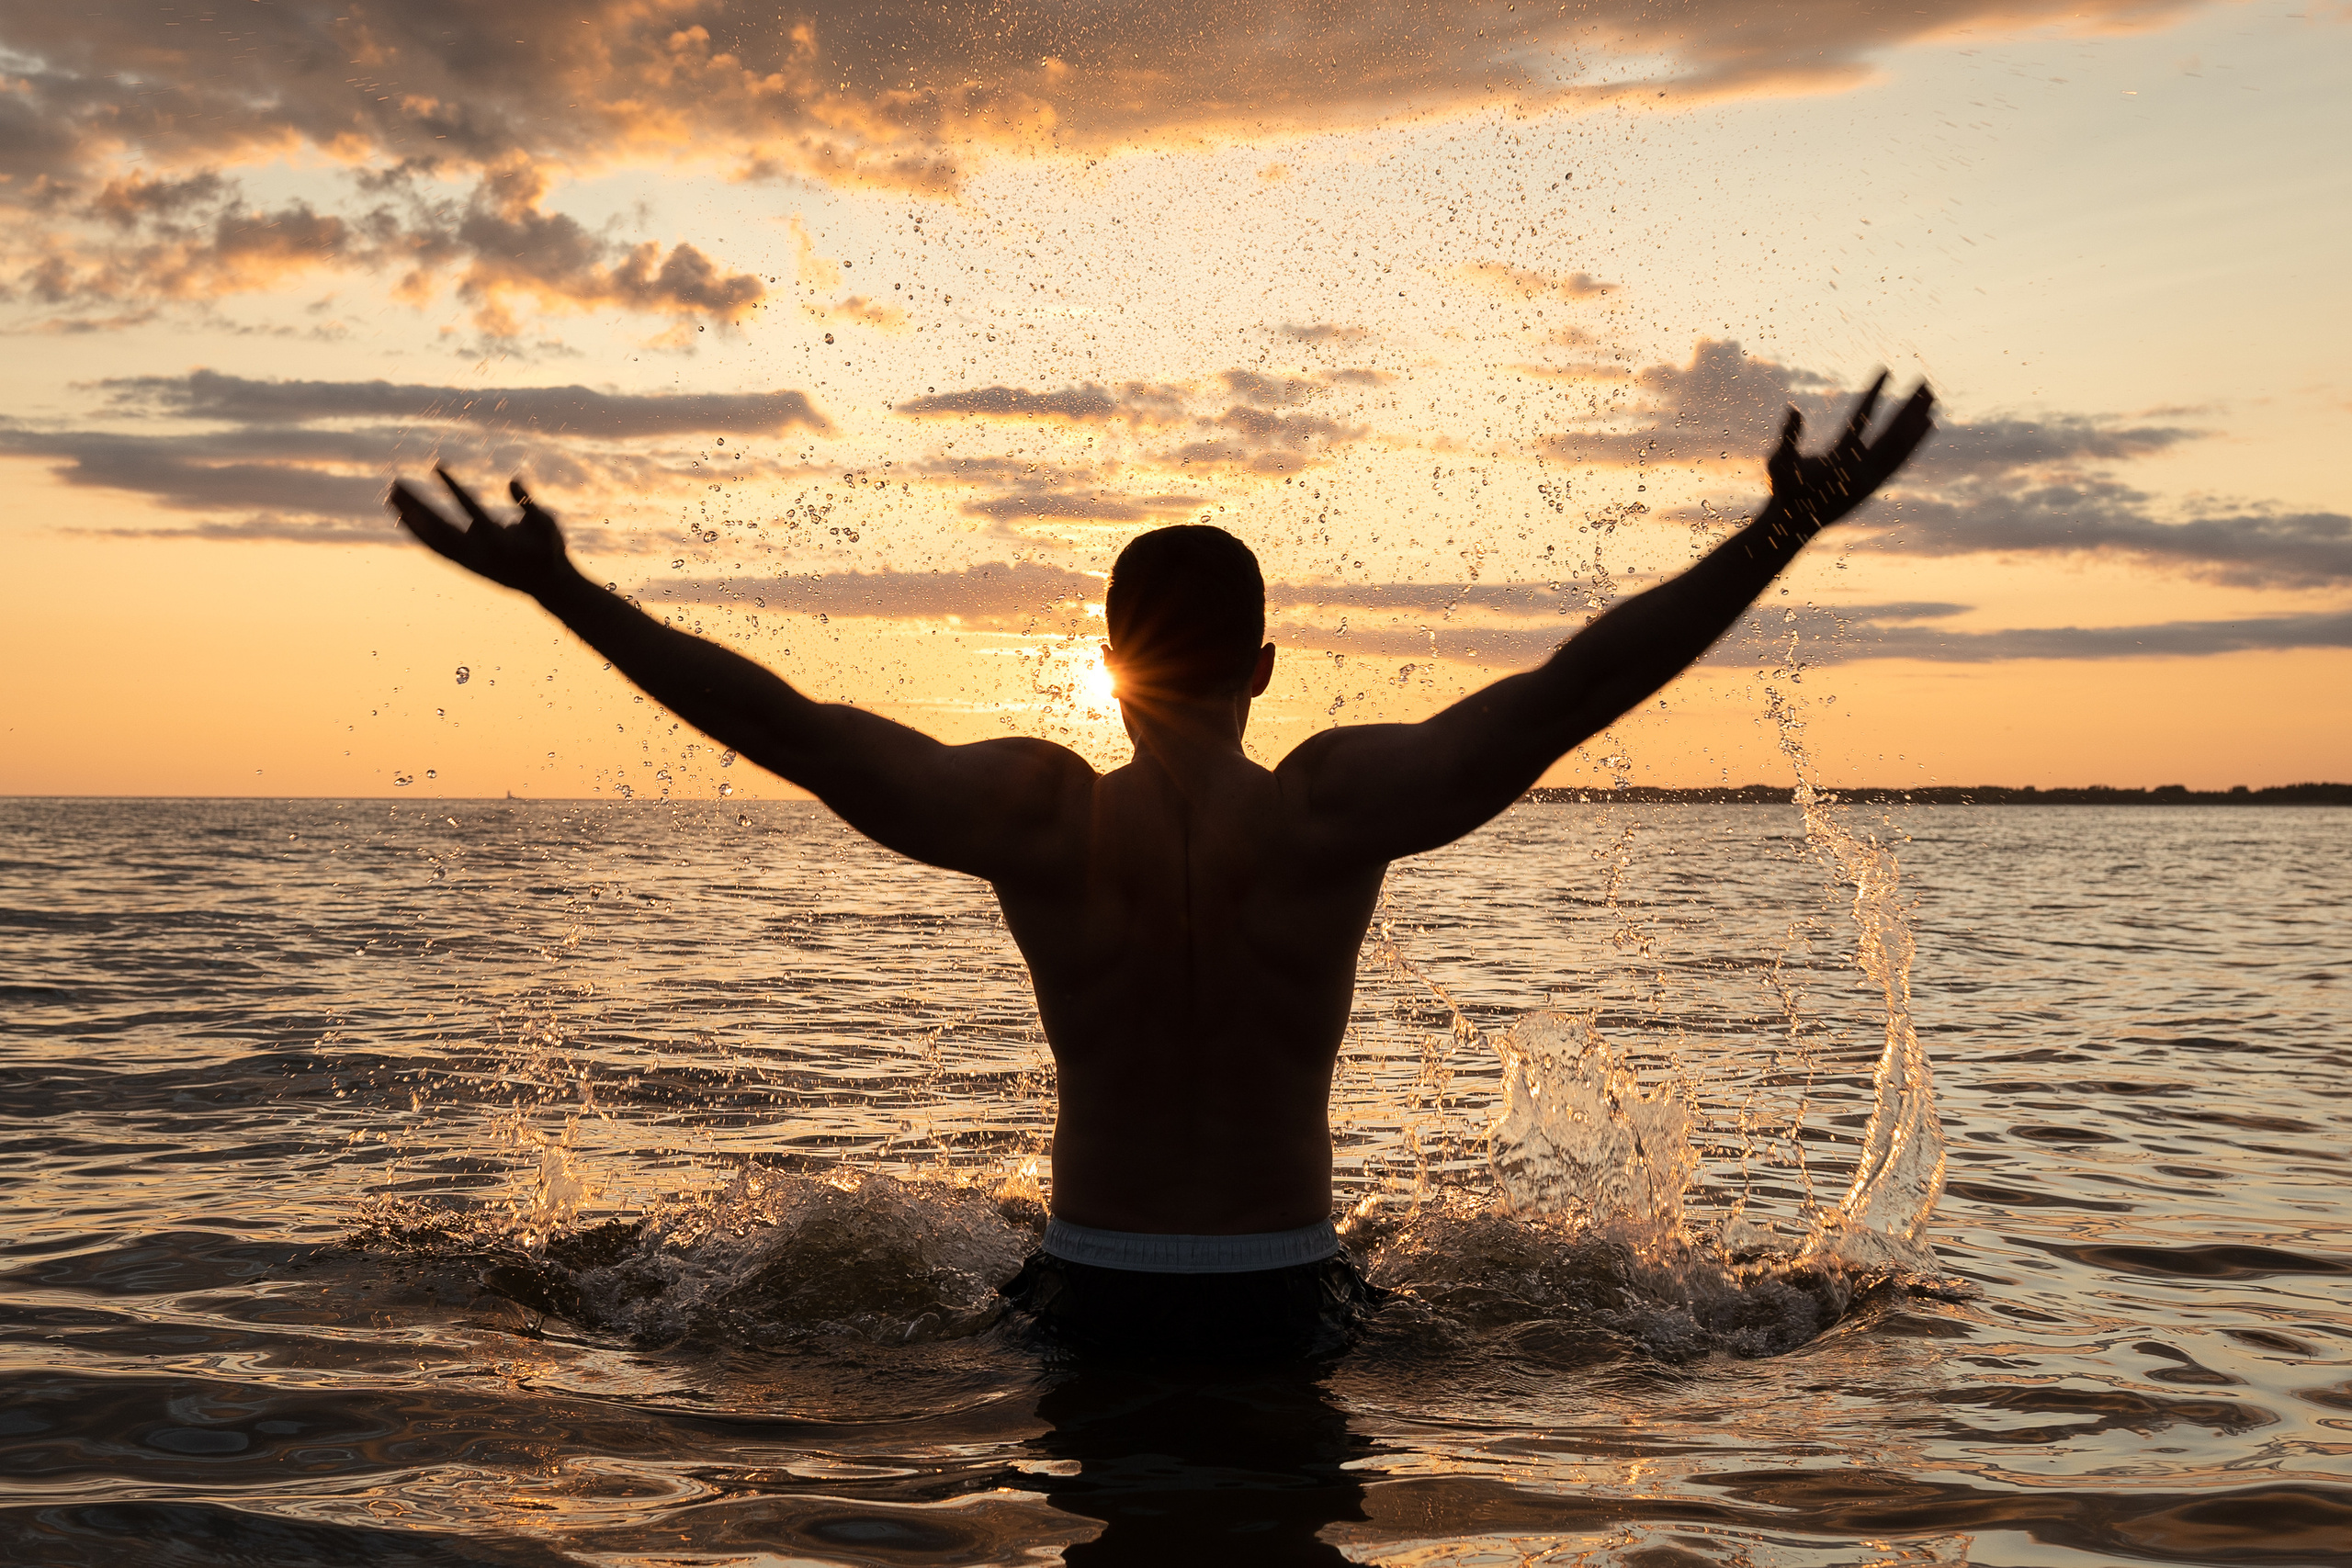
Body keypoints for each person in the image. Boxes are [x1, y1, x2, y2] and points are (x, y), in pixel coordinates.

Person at [390, 374, 1934, 1361]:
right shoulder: (1331, 811)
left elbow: (792, 728)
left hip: (1087, 1291)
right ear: (1265, 666)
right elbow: (1568, 693)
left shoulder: (1039, 817)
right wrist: (1779, 531)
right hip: (1296, 1296)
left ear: (1108, 666)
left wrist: (564, 590)